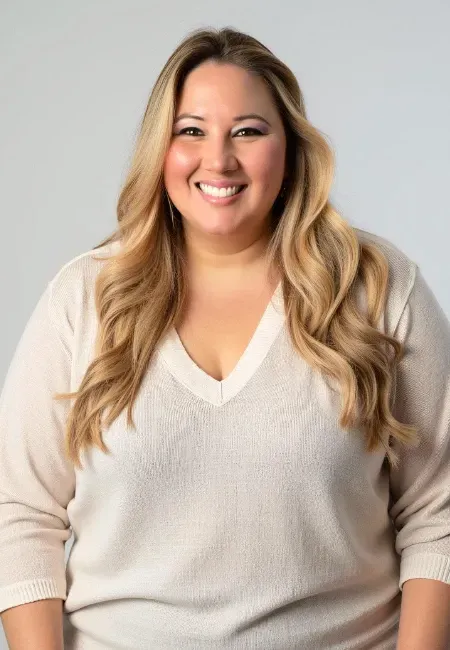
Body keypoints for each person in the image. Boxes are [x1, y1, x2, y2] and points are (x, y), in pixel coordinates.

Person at [0, 26, 449, 650]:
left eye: (248, 131)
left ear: (290, 149)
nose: (218, 160)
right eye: (191, 131)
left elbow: (437, 513)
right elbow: (20, 513)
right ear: (160, 150)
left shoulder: (376, 287)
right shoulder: (82, 300)